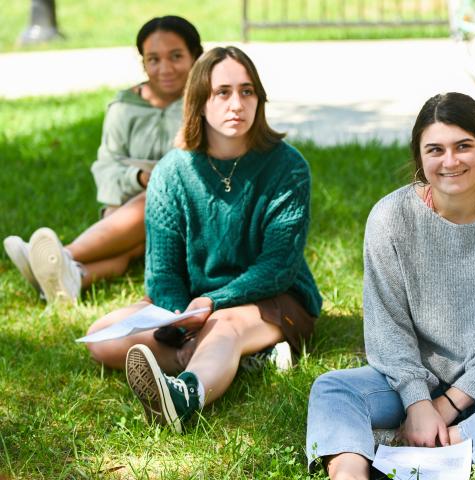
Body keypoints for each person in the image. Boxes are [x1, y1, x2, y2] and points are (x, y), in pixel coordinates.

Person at [306, 93, 475, 479]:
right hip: (405, 384)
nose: (450, 161)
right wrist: (417, 402)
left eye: (463, 146)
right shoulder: (390, 217)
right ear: (420, 158)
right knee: (333, 389)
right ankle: (351, 473)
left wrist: (447, 407)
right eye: (435, 149)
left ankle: (411, 451)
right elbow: (387, 326)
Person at [84, 46, 322, 433]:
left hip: (274, 298)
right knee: (101, 338)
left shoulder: (288, 166)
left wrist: (211, 304)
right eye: (222, 92)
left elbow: (278, 266)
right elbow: (162, 273)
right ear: (198, 101)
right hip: (193, 307)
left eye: (247, 92)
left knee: (224, 326)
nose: (237, 104)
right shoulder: (171, 172)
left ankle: (185, 395)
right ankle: (236, 357)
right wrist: (183, 319)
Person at [3, 15, 203, 303]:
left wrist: (159, 182)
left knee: (156, 197)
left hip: (185, 214)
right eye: (153, 59)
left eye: (176, 56)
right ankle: (73, 277)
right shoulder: (124, 107)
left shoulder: (205, 104)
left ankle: (62, 254)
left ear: (196, 56)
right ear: (143, 62)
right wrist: (137, 177)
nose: (165, 68)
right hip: (125, 207)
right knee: (131, 244)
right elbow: (106, 167)